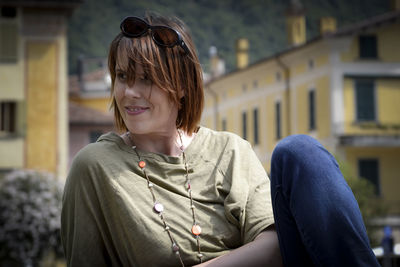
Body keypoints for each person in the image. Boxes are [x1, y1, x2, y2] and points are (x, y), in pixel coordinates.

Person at [61, 13, 379, 267]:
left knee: (300, 151)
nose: (129, 92)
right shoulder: (95, 166)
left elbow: (272, 246)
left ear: (182, 86)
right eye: (121, 76)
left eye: (146, 79)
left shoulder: (229, 150)